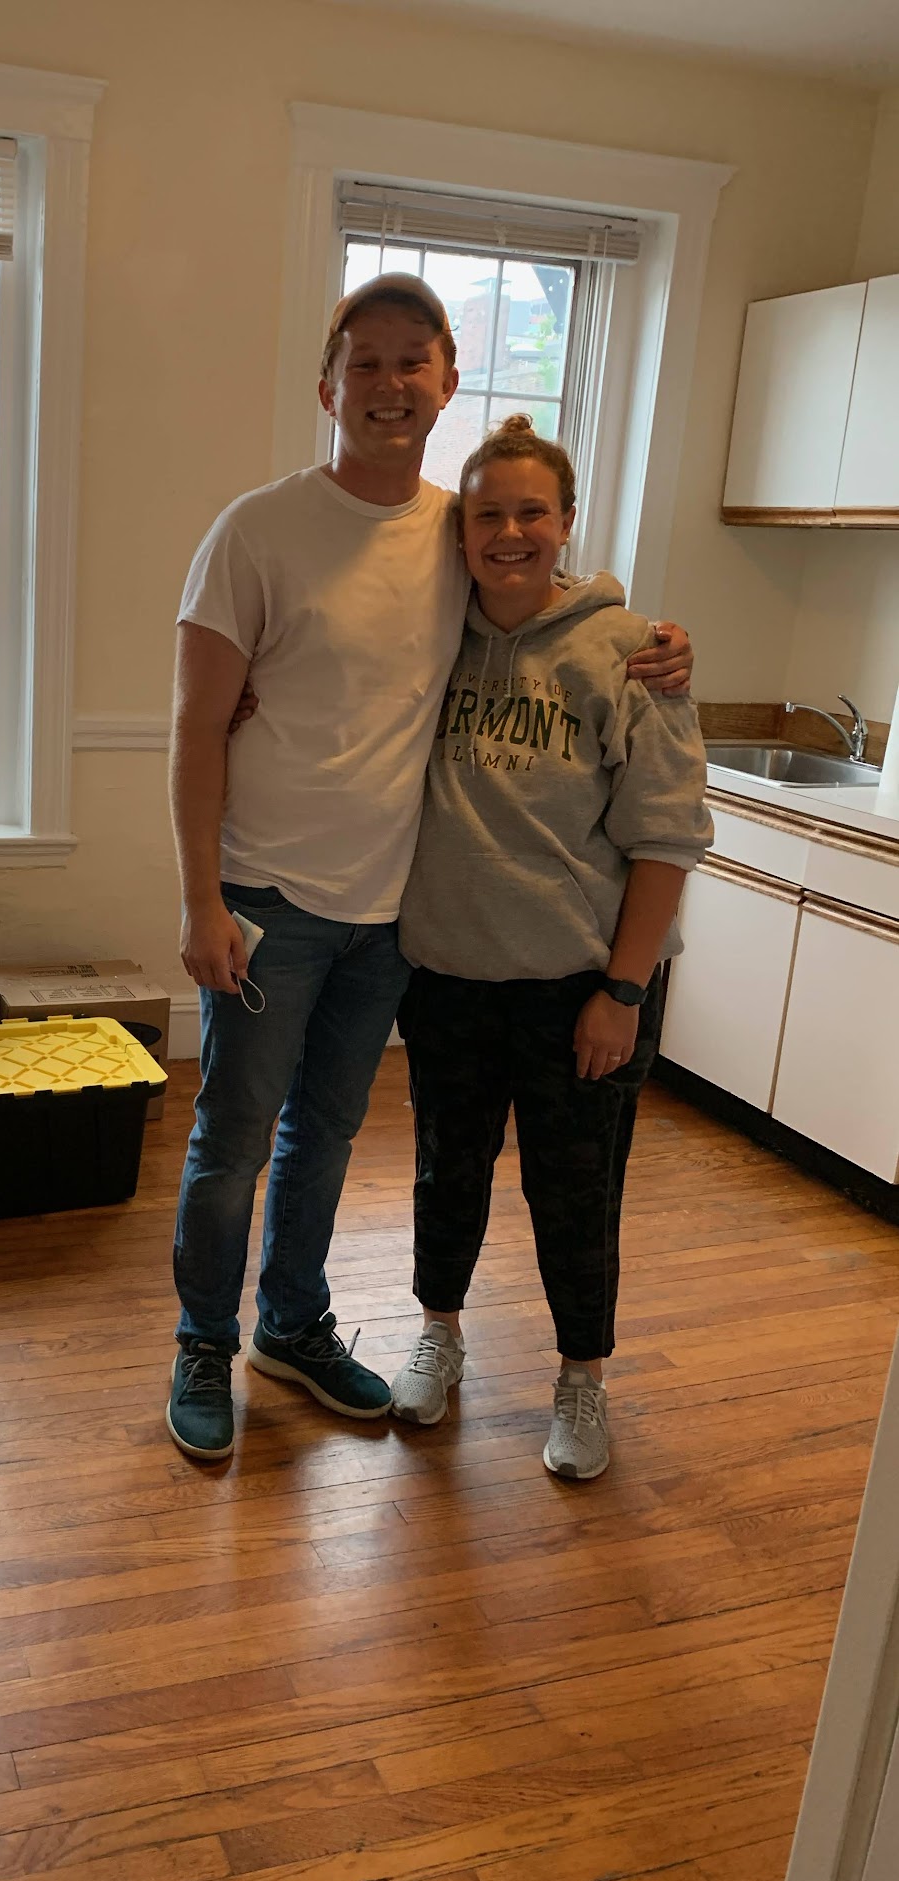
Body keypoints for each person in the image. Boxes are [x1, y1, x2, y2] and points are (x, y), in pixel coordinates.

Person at [165, 273, 693, 1462]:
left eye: (416, 361)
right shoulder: (255, 529)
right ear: (328, 385)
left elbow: (549, 594)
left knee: (327, 1136)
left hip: (393, 922)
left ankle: (289, 1323)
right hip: (265, 901)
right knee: (234, 1135)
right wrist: (200, 898)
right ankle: (204, 1339)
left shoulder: (457, 538)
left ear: (449, 381)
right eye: (367, 362)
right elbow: (197, 724)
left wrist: (660, 639)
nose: (391, 384)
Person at [388, 413, 712, 1480]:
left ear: (566, 522)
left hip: (582, 986)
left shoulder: (629, 656)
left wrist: (623, 989)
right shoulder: (429, 635)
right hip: (446, 977)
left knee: (576, 1193)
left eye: (533, 511)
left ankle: (583, 1377)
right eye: (489, 514)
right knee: (447, 1171)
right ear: (461, 530)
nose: (510, 532)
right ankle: (440, 1331)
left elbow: (665, 840)